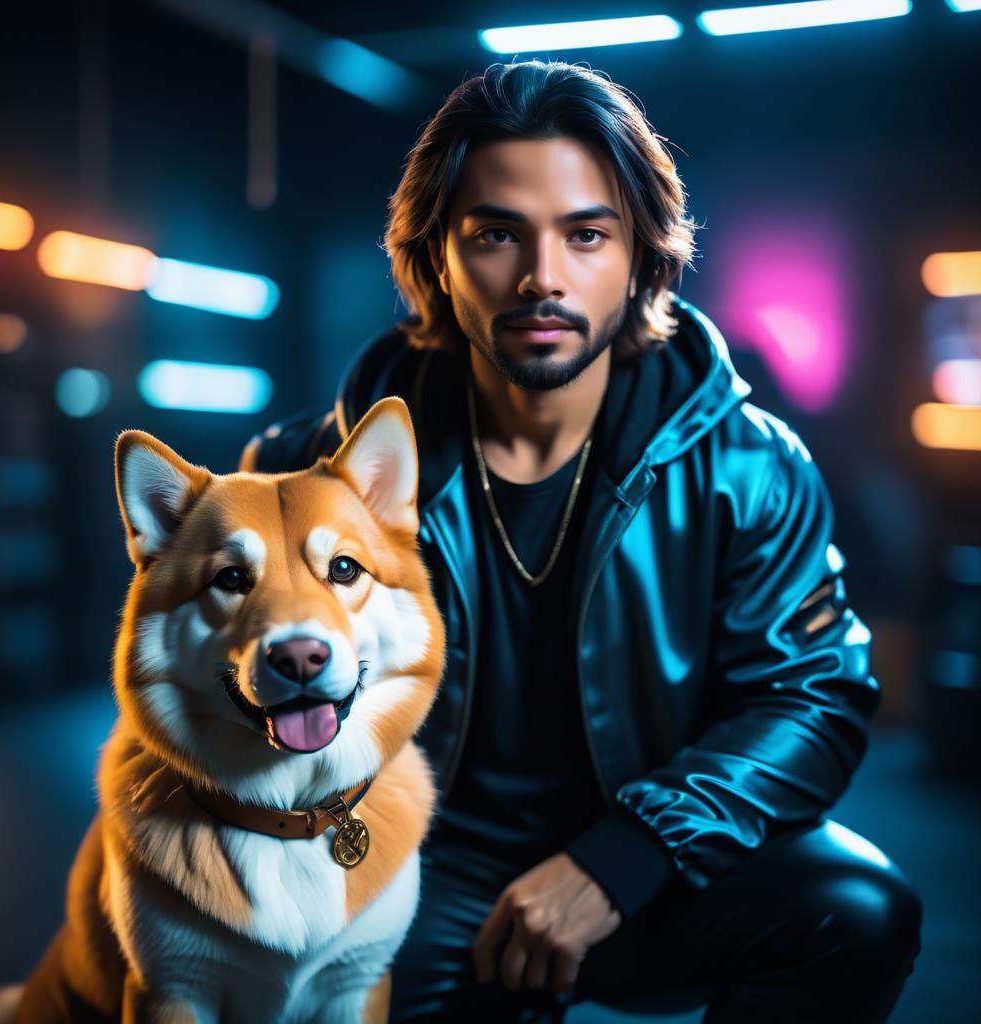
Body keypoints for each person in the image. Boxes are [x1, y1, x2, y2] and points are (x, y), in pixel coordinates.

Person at [241, 60, 922, 1023]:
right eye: (495, 234)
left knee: (856, 914)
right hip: (419, 864)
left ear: (642, 255)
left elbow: (814, 692)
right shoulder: (306, 475)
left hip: (657, 858)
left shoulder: (748, 467)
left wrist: (627, 857)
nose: (542, 278)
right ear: (434, 256)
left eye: (586, 233)